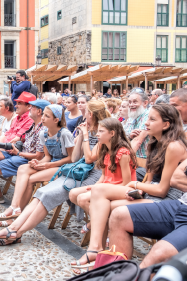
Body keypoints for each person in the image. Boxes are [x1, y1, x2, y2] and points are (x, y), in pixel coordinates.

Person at [71, 104, 187, 275]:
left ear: (166, 125)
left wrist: (135, 185)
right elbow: (149, 178)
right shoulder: (156, 143)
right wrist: (138, 189)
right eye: (147, 118)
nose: (146, 123)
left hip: (168, 199)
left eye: (152, 119)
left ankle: (98, 253)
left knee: (106, 202)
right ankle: (97, 250)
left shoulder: (173, 146)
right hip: (150, 191)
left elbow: (163, 189)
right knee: (100, 195)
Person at [0, 104, 75, 245]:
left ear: (56, 119)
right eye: (43, 114)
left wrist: (46, 165)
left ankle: (16, 217)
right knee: (23, 168)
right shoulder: (44, 133)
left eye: (47, 116)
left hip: (63, 167)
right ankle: (15, 207)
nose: (43, 118)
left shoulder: (65, 134)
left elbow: (72, 158)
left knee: (30, 179)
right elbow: (46, 156)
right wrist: (37, 163)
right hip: (51, 164)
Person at [108, 158, 187, 269]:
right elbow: (176, 178)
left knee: (159, 253)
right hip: (180, 204)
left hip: (168, 199)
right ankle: (120, 273)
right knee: (119, 215)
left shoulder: (175, 145)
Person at [69, 118, 137, 236]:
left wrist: (100, 189)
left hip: (122, 188)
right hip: (106, 186)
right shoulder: (105, 149)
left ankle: (98, 227)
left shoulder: (123, 153)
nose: (97, 134)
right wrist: (96, 187)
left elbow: (127, 182)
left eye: (101, 131)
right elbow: (104, 176)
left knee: (83, 199)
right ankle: (103, 222)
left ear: (112, 133)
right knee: (73, 193)